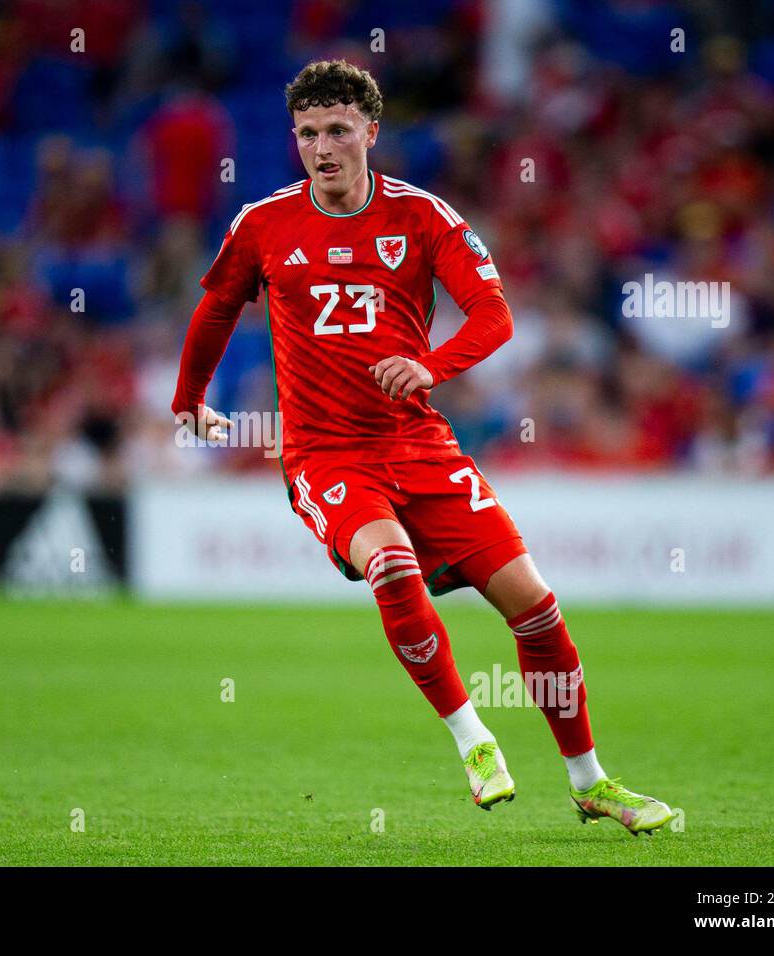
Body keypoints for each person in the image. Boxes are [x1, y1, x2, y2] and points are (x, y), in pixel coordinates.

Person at [171, 60, 675, 835]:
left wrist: (430, 366)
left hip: (421, 445)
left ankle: (591, 783)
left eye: (338, 131)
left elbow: (494, 315)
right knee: (391, 564)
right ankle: (474, 739)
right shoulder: (264, 224)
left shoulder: (425, 218)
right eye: (307, 134)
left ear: (372, 132)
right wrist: (188, 401)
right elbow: (212, 313)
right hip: (326, 454)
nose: (322, 148)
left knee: (536, 611)